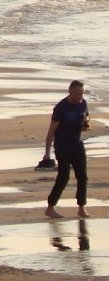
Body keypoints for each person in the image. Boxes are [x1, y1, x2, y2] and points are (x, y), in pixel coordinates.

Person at [44, 80, 90, 219]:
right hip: (62, 146)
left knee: (82, 176)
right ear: (70, 92)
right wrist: (47, 153)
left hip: (77, 144)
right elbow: (51, 131)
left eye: (82, 93)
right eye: (77, 94)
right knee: (64, 177)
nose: (80, 96)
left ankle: (81, 207)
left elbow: (86, 117)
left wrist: (86, 125)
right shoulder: (61, 107)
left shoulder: (83, 103)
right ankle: (50, 207)